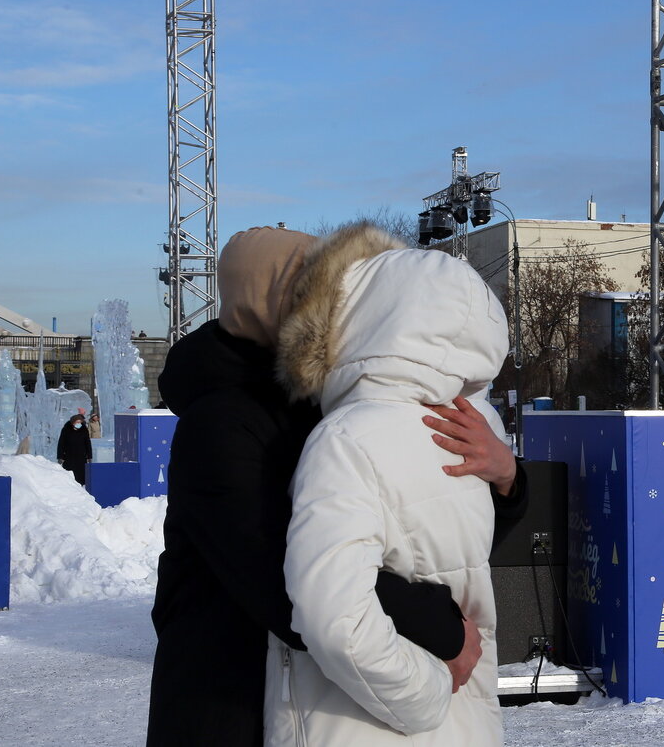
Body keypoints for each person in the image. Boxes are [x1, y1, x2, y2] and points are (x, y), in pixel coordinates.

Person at [147, 225, 526, 747]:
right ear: (286, 301)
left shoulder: (335, 400)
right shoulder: (222, 424)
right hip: (231, 703)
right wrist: (444, 628)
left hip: (317, 696)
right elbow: (287, 580)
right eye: (333, 284)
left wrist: (504, 476)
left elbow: (424, 536)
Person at [266, 225, 508, 745]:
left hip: (364, 724)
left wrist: (427, 693)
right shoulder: (473, 431)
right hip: (466, 725)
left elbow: (336, 618)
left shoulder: (344, 439)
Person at [56, 413, 92, 484]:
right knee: (70, 476)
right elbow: (61, 444)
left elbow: (88, 443)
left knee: (81, 476)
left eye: (80, 422)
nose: (79, 424)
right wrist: (60, 457)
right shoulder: (66, 430)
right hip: (69, 457)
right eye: (77, 422)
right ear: (73, 422)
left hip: (81, 457)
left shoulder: (84, 430)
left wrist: (89, 456)